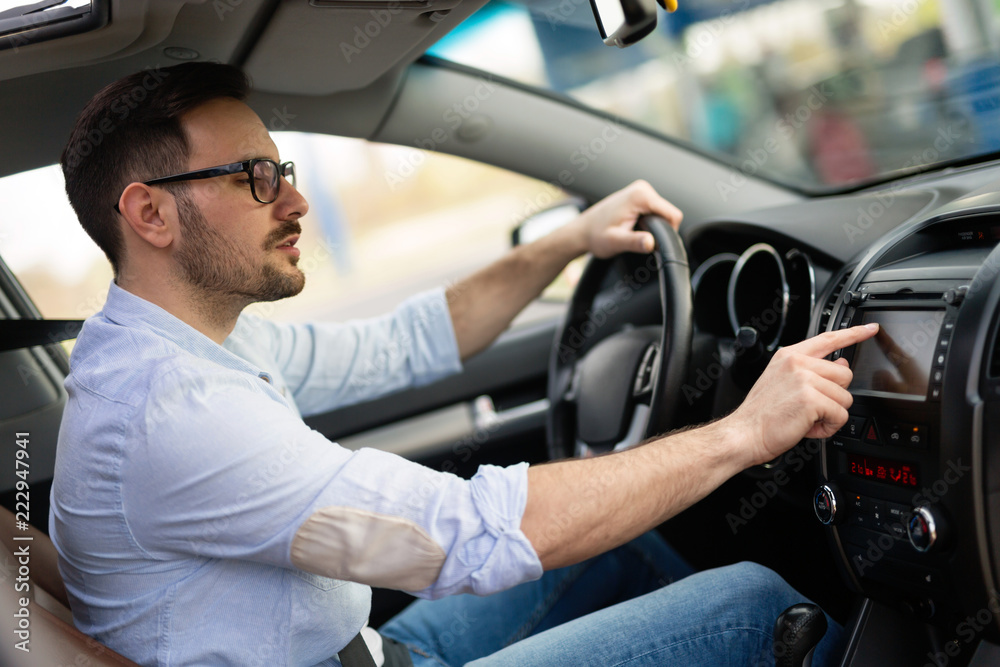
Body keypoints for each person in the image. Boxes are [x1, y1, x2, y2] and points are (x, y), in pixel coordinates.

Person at [51, 62, 875, 666]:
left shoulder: (189, 341)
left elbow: (412, 341)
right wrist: (742, 434)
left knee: (624, 545)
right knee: (754, 610)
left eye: (286, 171)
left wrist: (567, 240)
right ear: (151, 212)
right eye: (256, 177)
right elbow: (467, 536)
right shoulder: (171, 412)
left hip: (370, 651)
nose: (294, 200)